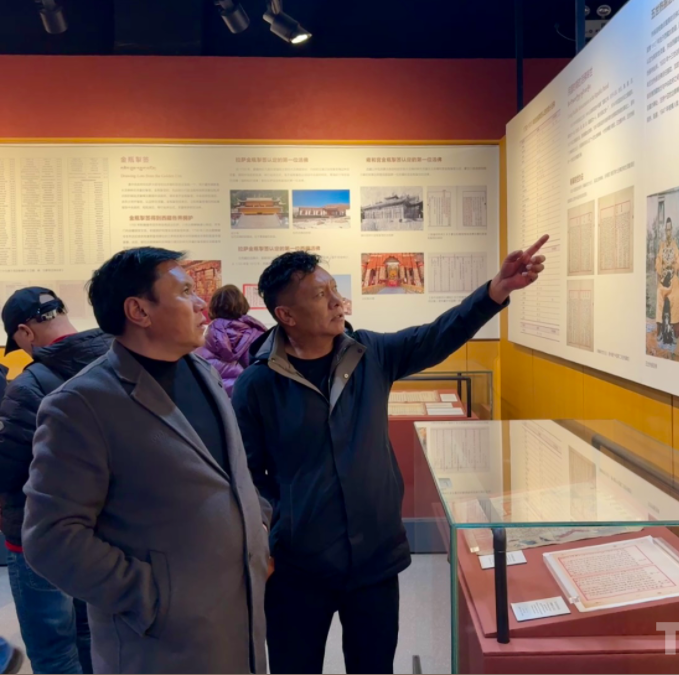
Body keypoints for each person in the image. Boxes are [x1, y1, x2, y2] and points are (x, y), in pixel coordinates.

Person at [233, 235, 548, 674]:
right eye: (321, 296)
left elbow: (436, 335)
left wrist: (494, 292)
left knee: (374, 666)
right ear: (286, 315)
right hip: (298, 567)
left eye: (335, 290)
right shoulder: (258, 384)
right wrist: (272, 535)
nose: (338, 302)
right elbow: (246, 476)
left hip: (374, 560)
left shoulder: (370, 354)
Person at [22, 249, 271, 674]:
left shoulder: (203, 373)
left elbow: (230, 471)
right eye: (186, 292)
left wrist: (258, 527)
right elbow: (50, 538)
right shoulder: (81, 404)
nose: (202, 303)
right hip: (158, 649)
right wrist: (153, 598)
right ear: (139, 311)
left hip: (237, 624)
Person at [0, 288, 108, 674]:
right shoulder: (117, 361)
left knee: (52, 649)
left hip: (39, 537)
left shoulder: (28, 386)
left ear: (25, 333)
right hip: (101, 530)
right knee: (90, 634)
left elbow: (7, 471)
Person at [196, 285, 267, 397]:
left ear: (213, 307)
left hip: (218, 402)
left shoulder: (201, 339)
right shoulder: (260, 336)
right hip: (250, 400)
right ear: (243, 304)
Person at [655, 217, 679, 341]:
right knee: (659, 293)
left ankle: (675, 330)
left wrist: (674, 267)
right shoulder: (662, 245)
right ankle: (659, 329)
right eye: (666, 230)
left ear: (672, 230)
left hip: (673, 277)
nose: (668, 232)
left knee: (676, 295)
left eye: (670, 229)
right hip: (664, 278)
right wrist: (661, 269)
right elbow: (658, 261)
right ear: (665, 230)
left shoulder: (674, 245)